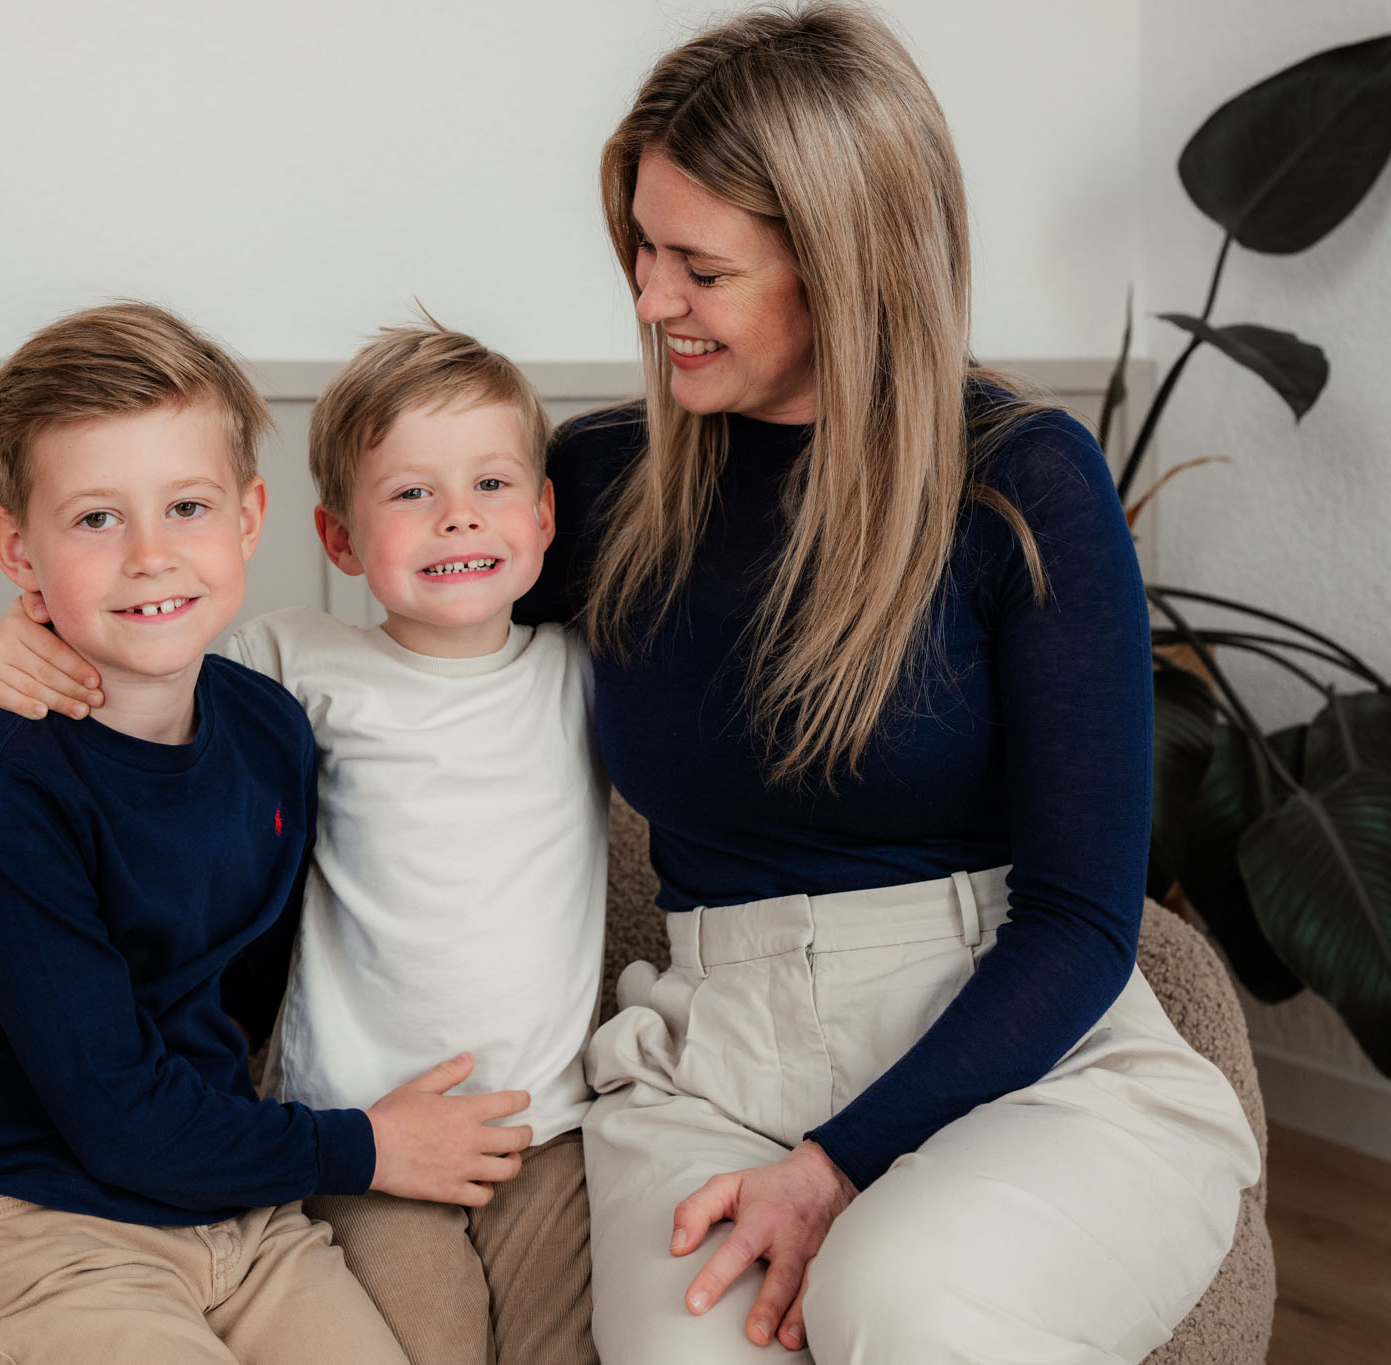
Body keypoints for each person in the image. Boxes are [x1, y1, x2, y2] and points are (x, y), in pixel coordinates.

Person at [511, 6, 1261, 1362]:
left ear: (842, 264)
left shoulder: (1023, 482)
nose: (650, 301)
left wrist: (836, 1166)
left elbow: (1083, 920)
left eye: (700, 267)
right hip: (708, 1062)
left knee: (899, 1296)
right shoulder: (604, 480)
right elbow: (395, 652)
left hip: (1017, 1058)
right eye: (640, 249)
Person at [0, 302, 532, 1365]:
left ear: (249, 518)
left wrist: (277, 1154)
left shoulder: (269, 727)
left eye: (186, 506)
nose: (150, 555)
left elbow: (242, 998)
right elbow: (115, 1112)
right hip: (26, 1216)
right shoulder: (1, 788)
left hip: (236, 1214)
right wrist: (363, 1147)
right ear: (17, 550)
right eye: (96, 519)